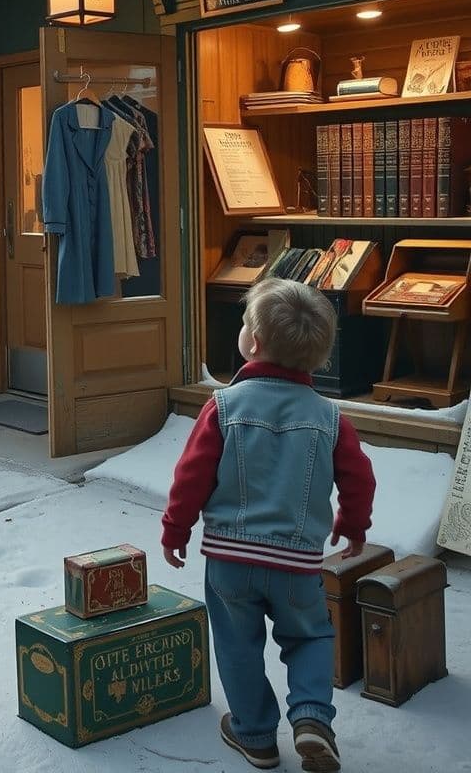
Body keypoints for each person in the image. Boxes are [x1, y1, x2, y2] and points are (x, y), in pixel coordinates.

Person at [161, 278, 375, 773]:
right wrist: (353, 525)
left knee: (237, 645)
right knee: (310, 637)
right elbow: (359, 477)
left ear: (252, 343)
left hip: (230, 562)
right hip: (297, 563)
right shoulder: (330, 417)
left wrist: (176, 530)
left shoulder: (223, 407)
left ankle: (255, 735)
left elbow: (190, 477)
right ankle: (311, 717)